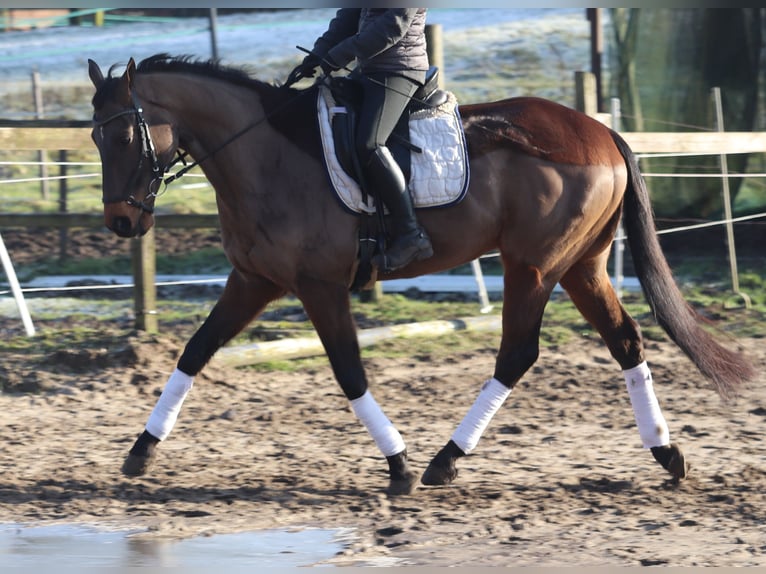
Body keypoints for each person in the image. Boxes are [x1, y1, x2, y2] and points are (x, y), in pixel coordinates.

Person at [292, 8, 434, 273]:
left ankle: (411, 234)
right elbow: (349, 16)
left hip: (399, 70)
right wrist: (318, 53)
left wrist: (338, 54)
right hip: (368, 69)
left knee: (370, 144)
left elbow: (392, 26)